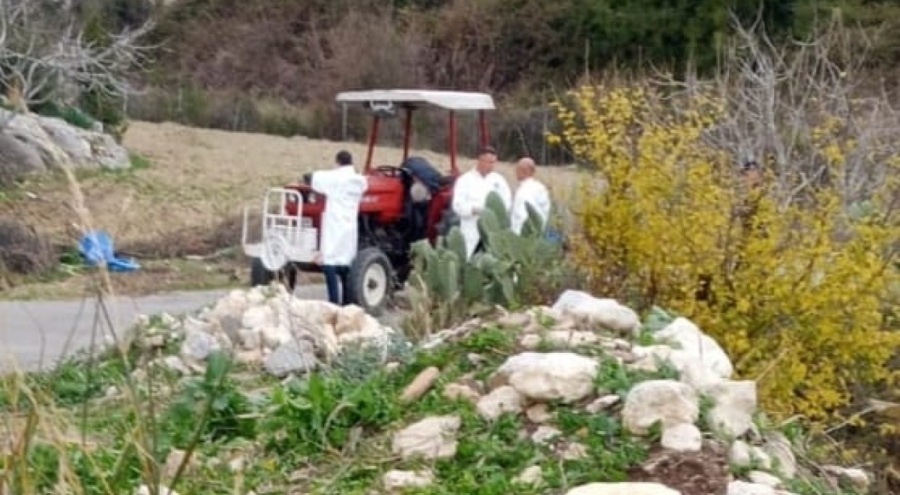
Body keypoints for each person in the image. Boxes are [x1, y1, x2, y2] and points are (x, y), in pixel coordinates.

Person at [309, 150, 368, 306]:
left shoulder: (334, 178)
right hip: (349, 226)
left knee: (330, 264)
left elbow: (313, 178)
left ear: (338, 162)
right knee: (346, 265)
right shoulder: (360, 181)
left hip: (335, 225)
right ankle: (348, 303)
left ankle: (333, 302)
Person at [451, 146, 512, 259]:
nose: (492, 165)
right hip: (471, 228)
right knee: (468, 259)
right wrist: (474, 210)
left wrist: (494, 214)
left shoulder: (499, 180)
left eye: (493, 162)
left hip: (492, 230)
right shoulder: (465, 180)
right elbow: (457, 205)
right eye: (489, 162)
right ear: (480, 160)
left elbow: (506, 202)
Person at [509, 157, 552, 235]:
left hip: (524, 234)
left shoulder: (528, 190)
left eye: (518, 169)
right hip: (532, 233)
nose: (516, 172)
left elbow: (522, 214)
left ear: (525, 171)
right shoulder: (540, 188)